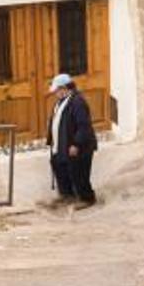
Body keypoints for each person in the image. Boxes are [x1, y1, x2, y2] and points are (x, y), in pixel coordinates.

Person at [46, 73, 98, 208]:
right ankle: (67, 195)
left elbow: (83, 126)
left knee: (78, 171)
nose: (55, 93)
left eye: (56, 90)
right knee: (59, 167)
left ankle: (87, 198)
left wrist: (76, 144)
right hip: (62, 145)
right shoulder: (62, 101)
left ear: (64, 88)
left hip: (78, 146)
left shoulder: (78, 102)